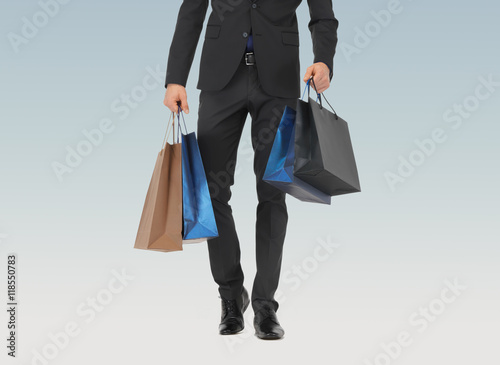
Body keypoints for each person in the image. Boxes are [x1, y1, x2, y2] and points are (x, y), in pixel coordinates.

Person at [163, 0, 338, 340]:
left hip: (278, 80)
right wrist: (175, 78)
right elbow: (191, 11)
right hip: (220, 80)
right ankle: (231, 296)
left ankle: (265, 305)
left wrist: (323, 60)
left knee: (273, 192)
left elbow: (323, 16)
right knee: (210, 193)